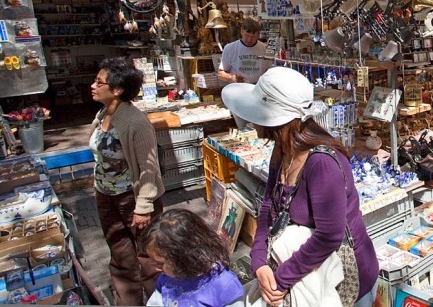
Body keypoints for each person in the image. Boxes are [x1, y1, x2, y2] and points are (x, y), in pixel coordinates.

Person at [221, 67, 379, 307]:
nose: (252, 122)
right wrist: (259, 260)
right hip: (305, 275)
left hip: (344, 281)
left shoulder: (322, 163)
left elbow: (329, 236)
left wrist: (281, 280)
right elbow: (268, 207)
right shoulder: (282, 149)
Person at [90, 57, 165, 305]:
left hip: (133, 199)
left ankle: (159, 300)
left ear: (118, 90)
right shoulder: (103, 115)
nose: (93, 85)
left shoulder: (135, 122)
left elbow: (148, 167)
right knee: (120, 254)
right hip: (107, 195)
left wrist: (143, 206)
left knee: (149, 256)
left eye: (99, 82)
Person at [142, 209, 245, 307]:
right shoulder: (166, 280)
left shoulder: (225, 285)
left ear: (184, 258)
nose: (156, 269)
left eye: (160, 264)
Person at [217, 18, 270, 85]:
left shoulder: (265, 49)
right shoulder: (230, 48)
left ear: (258, 35)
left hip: (257, 87)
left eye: (253, 37)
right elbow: (220, 74)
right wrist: (232, 77)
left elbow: (270, 72)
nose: (249, 40)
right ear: (241, 31)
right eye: (246, 35)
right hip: (238, 87)